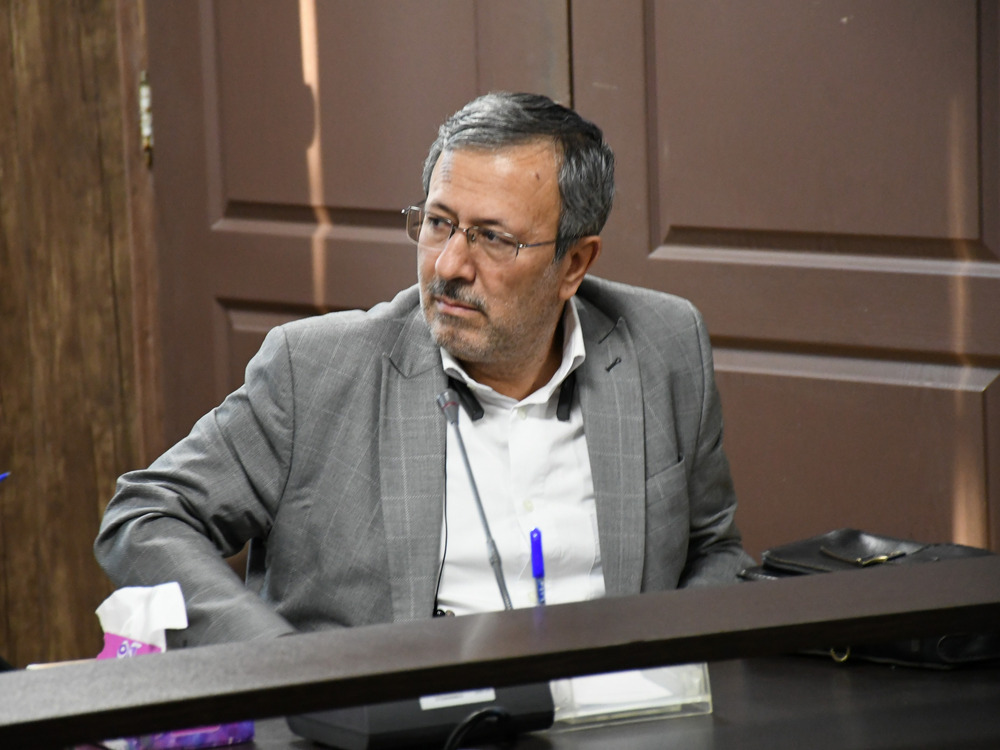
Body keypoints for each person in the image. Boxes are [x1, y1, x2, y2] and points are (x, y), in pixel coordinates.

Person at [95, 92, 754, 647]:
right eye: (438, 223)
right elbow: (144, 516)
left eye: (492, 237)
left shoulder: (663, 344)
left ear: (574, 264)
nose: (448, 266)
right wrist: (278, 659)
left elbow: (714, 550)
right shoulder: (316, 371)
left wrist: (669, 666)